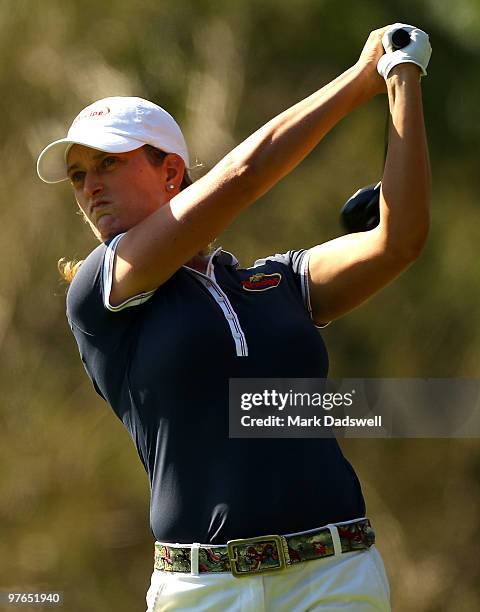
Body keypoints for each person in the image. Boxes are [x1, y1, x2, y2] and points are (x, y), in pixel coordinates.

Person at [37, 23, 431, 612]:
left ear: (170, 172)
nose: (89, 188)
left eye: (107, 166)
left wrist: (403, 76)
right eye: (78, 176)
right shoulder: (102, 288)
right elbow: (242, 177)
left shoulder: (276, 283)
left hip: (334, 575)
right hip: (203, 590)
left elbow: (398, 240)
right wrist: (357, 81)